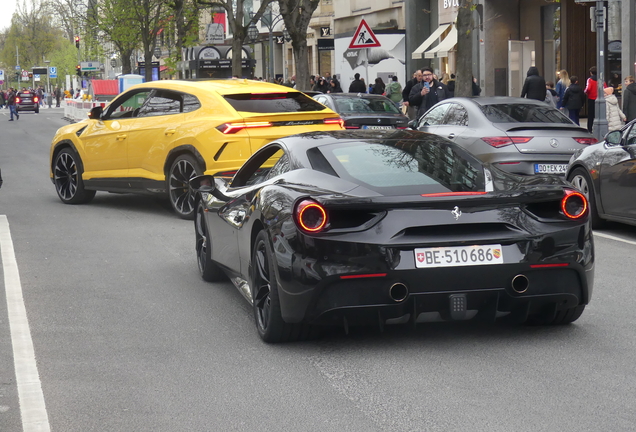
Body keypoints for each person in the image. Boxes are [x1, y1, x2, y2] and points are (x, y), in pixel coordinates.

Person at [584, 66, 599, 133]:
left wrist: (585, 92)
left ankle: (590, 129)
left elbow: (588, 89)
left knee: (590, 115)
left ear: (591, 73)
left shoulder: (589, 79)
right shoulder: (600, 79)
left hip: (591, 98)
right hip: (599, 98)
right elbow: (605, 87)